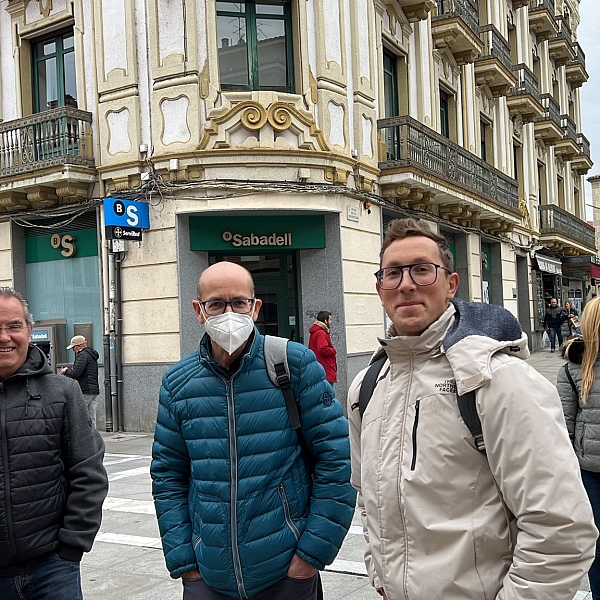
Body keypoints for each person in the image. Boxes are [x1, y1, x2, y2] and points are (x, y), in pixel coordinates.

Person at [347, 218, 597, 600]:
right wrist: (379, 575)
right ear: (380, 290)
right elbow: (367, 499)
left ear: (451, 285)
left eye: (422, 270)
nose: (407, 283)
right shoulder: (365, 388)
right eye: (393, 273)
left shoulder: (500, 380)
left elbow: (561, 528)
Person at [150, 261, 356, 600]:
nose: (228, 312)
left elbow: (337, 461)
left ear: (255, 308)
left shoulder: (294, 364)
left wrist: (309, 558)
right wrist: (186, 564)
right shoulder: (177, 382)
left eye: (239, 302)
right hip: (208, 579)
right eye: (216, 303)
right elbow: (168, 475)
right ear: (199, 311)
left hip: (286, 575)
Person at [0, 287, 108, 600]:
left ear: (29, 331)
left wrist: (72, 546)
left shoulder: (61, 392)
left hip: (51, 570)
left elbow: (88, 472)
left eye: (14, 326)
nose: (5, 336)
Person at [558, 296, 600, 600]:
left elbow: (564, 423)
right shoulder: (575, 366)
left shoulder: (573, 365)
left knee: (596, 541)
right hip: (589, 469)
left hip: (588, 469)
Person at [61, 335, 100, 428]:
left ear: (79, 346)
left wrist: (66, 371)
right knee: (91, 417)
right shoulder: (91, 355)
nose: (73, 350)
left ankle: (81, 437)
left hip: (85, 389)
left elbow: (76, 373)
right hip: (93, 389)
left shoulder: (83, 355)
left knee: (78, 414)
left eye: (74, 347)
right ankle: (93, 437)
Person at [308, 310, 337, 383]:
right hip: (325, 367)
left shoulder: (316, 332)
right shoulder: (321, 333)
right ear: (325, 321)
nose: (331, 322)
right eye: (330, 320)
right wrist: (333, 351)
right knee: (328, 392)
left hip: (319, 366)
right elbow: (323, 349)